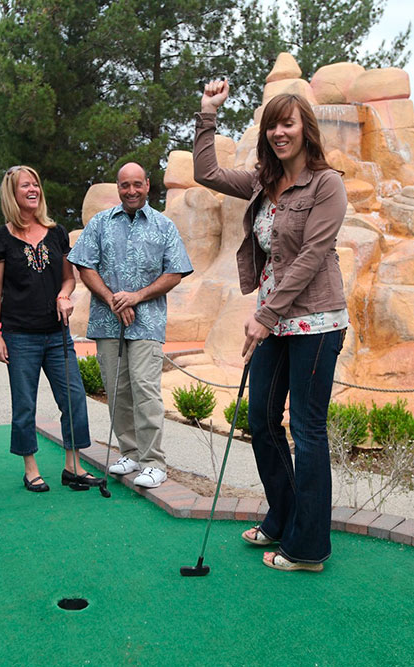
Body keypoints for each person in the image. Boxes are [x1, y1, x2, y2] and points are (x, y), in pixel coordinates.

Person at [194, 80, 349, 572]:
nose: (280, 132)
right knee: (260, 419)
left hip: (316, 322)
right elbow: (207, 172)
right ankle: (283, 516)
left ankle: (309, 548)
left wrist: (264, 314)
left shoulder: (327, 184)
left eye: (289, 122)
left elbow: (310, 257)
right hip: (274, 322)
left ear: (306, 128)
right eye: (273, 125)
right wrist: (207, 113)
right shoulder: (263, 181)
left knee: (307, 429)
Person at [68, 162, 193, 489]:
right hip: (107, 323)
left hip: (147, 323)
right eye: (125, 185)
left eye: (137, 184)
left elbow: (175, 272)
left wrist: (136, 297)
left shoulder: (164, 226)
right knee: (117, 389)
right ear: (119, 188)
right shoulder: (100, 223)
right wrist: (113, 300)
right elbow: (84, 266)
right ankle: (131, 453)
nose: (132, 190)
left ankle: (154, 462)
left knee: (145, 389)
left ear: (148, 185)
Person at [0, 165, 97, 492]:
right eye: (25, 185)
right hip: (20, 336)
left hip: (57, 334)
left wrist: (65, 296)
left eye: (35, 183)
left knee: (74, 397)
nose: (33, 189)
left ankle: (73, 466)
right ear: (12, 193)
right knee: (24, 404)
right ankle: (30, 468)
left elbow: (68, 278)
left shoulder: (56, 232)